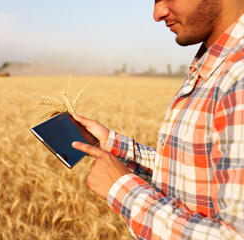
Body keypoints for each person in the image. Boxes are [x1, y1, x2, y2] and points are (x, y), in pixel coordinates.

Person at [72, 0, 244, 239]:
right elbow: (189, 175)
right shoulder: (214, 63)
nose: (157, 13)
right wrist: (112, 144)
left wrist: (122, 189)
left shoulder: (239, 77)